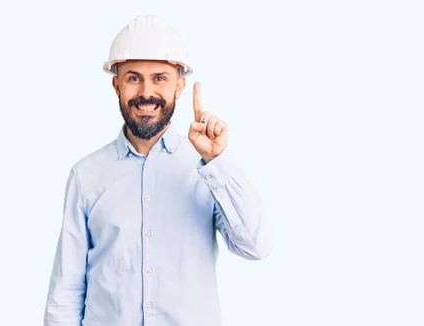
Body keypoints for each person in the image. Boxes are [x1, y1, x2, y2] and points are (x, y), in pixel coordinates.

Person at [43, 14, 274, 326]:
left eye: (160, 78)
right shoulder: (87, 176)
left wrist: (218, 162)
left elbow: (256, 246)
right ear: (116, 85)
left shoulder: (207, 169)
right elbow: (66, 291)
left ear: (179, 87)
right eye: (134, 78)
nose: (146, 93)